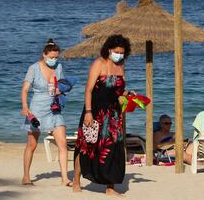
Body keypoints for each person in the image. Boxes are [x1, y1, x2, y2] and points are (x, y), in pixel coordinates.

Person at [73, 34, 133, 196]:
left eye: (122, 52)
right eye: (116, 51)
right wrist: (88, 112)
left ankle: (110, 188)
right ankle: (76, 181)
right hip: (95, 112)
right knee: (86, 146)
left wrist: (128, 94)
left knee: (114, 149)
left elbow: (117, 91)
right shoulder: (98, 64)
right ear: (108, 50)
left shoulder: (121, 66)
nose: (119, 55)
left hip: (113, 115)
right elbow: (89, 90)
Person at [21, 39, 72, 186]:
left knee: (62, 143)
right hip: (36, 109)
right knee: (32, 144)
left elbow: (63, 85)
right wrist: (25, 107)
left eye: (56, 57)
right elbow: (24, 90)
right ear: (44, 55)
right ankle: (26, 176)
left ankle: (64, 178)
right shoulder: (34, 68)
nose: (54, 60)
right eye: (52, 57)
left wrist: (61, 89)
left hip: (54, 109)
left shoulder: (59, 67)